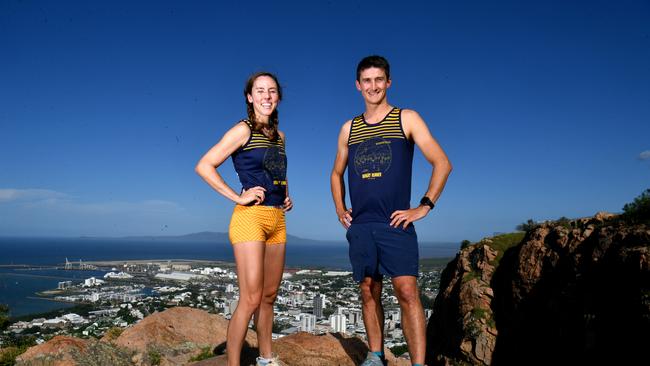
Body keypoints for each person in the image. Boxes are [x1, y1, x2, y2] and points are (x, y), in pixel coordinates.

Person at [330, 56, 452, 366]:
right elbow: (336, 173)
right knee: (368, 290)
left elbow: (442, 162)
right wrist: (340, 208)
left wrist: (424, 206)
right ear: (358, 85)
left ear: (388, 83)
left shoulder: (406, 118)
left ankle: (418, 363)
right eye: (367, 81)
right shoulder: (349, 128)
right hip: (361, 225)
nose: (373, 86)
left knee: (407, 291)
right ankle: (375, 355)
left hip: (395, 222)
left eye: (379, 79)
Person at [196, 72, 292, 366]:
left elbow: (275, 172)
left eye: (272, 91)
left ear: (278, 97)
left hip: (277, 219)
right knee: (250, 299)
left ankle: (266, 358)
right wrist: (238, 196)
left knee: (269, 296)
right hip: (250, 218)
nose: (266, 96)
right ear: (250, 98)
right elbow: (205, 165)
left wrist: (286, 194)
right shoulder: (242, 130)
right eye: (260, 91)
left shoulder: (280, 137)